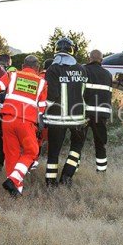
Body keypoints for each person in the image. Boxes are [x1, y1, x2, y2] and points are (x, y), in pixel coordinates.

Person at [0, 55, 47, 196]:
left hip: (8, 121)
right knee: (32, 151)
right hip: (26, 122)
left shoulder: (12, 75)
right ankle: (14, 179)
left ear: (23, 66)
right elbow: (41, 108)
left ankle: (16, 190)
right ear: (37, 68)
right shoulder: (41, 82)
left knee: (11, 155)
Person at [43, 37, 88, 187]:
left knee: (54, 152)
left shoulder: (53, 69)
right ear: (73, 50)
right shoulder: (81, 69)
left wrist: (41, 110)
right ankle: (67, 176)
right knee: (76, 148)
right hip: (77, 118)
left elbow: (52, 95)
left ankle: (50, 182)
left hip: (56, 118)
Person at [77, 50, 113, 172]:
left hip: (85, 113)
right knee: (100, 144)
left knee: (78, 143)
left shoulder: (83, 70)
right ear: (101, 60)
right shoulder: (108, 74)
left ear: (89, 58)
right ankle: (102, 172)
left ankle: (73, 170)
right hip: (101, 115)